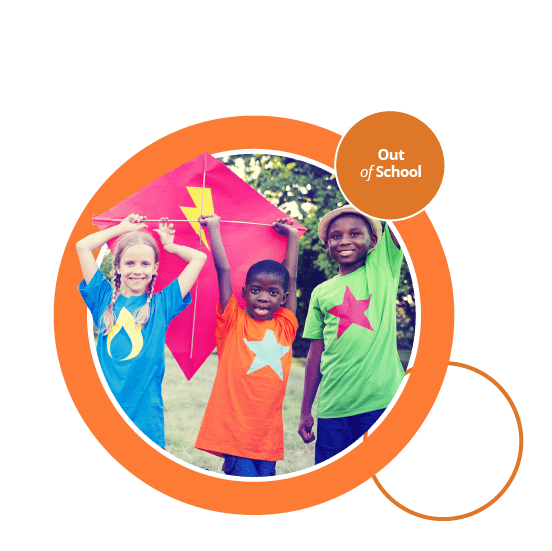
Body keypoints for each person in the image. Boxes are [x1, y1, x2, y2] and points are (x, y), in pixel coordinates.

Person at [76, 213, 207, 448]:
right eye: (129, 263)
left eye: (145, 264)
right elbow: (83, 247)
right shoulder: (102, 298)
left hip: (145, 417)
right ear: (117, 266)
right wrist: (121, 228)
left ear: (155, 267)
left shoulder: (162, 305)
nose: (137, 270)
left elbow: (199, 258)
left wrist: (170, 246)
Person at [298, 204, 404, 464]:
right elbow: (315, 354)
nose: (345, 240)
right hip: (333, 409)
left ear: (373, 242)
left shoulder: (382, 269)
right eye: (336, 236)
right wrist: (305, 411)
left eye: (355, 234)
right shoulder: (321, 292)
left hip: (381, 404)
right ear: (327, 245)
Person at [194, 213, 299, 477]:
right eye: (255, 290)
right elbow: (224, 270)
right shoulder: (233, 321)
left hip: (267, 440)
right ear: (244, 293)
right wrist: (214, 228)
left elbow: (292, 278)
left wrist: (293, 237)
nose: (263, 297)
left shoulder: (285, 326)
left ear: (283, 298)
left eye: (273, 292)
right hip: (235, 436)